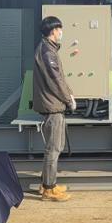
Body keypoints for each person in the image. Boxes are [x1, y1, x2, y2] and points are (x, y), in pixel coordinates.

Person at [33, 16, 76, 202]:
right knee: (54, 148)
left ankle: (46, 183)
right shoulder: (48, 52)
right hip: (53, 105)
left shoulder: (47, 48)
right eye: (59, 29)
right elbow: (55, 80)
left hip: (51, 103)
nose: (61, 32)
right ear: (53, 31)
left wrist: (68, 95)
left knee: (53, 147)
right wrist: (68, 98)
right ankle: (49, 189)